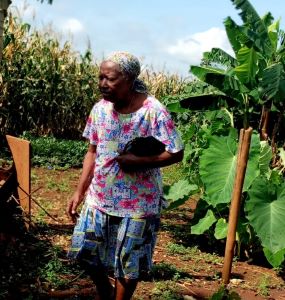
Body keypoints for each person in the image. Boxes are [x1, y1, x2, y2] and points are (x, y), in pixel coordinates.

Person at [67, 51, 184, 300]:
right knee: (85, 252)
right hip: (99, 198)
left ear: (129, 78)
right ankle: (105, 293)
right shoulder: (100, 110)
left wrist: (139, 161)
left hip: (138, 204)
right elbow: (92, 151)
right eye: (100, 78)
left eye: (109, 79)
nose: (102, 84)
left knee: (130, 265)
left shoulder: (153, 111)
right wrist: (80, 191)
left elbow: (176, 152)